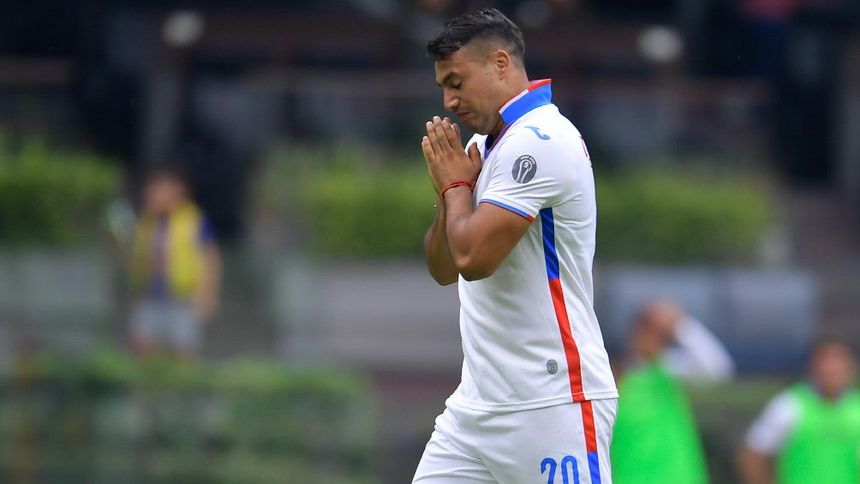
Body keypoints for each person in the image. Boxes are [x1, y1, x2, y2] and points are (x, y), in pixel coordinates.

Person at [415, 9, 617, 483]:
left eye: (456, 82)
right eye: (443, 87)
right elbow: (444, 268)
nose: (448, 101)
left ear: (500, 64)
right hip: (476, 406)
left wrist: (455, 188)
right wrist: (452, 192)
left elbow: (473, 260)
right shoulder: (488, 145)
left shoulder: (540, 140)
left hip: (551, 400)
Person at [610, 300, 735, 484]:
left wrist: (681, 325)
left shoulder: (669, 369)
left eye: (658, 333)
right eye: (647, 330)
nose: (651, 339)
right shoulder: (613, 377)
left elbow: (718, 369)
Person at [738, 337, 860, 484]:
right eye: (825, 360)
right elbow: (753, 454)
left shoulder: (857, 407)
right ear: (813, 366)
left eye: (838, 360)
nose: (831, 368)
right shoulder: (789, 404)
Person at [128, 167, 221, 359]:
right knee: (142, 344)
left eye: (159, 190)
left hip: (182, 296)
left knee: (184, 348)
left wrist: (207, 293)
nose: (153, 195)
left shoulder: (193, 220)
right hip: (151, 293)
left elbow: (210, 258)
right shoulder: (147, 221)